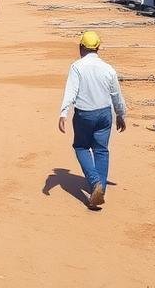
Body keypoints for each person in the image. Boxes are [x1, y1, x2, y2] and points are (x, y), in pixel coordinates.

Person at [57, 30, 126, 210]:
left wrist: (63, 113)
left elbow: (71, 91)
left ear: (81, 48)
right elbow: (116, 94)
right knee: (101, 150)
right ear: (98, 48)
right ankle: (100, 188)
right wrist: (120, 114)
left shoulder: (77, 67)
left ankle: (95, 183)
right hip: (104, 114)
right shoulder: (108, 68)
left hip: (84, 114)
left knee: (80, 147)